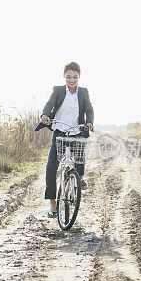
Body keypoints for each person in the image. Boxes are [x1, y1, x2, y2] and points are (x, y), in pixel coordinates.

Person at [38, 61, 94, 217]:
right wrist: (45, 115)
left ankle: (80, 178)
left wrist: (89, 122)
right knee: (50, 167)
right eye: (69, 77)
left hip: (77, 131)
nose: (72, 80)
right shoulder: (58, 91)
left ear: (79, 77)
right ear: (64, 76)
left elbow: (89, 108)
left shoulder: (83, 92)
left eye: (75, 77)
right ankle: (53, 205)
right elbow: (49, 104)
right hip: (60, 131)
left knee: (80, 156)